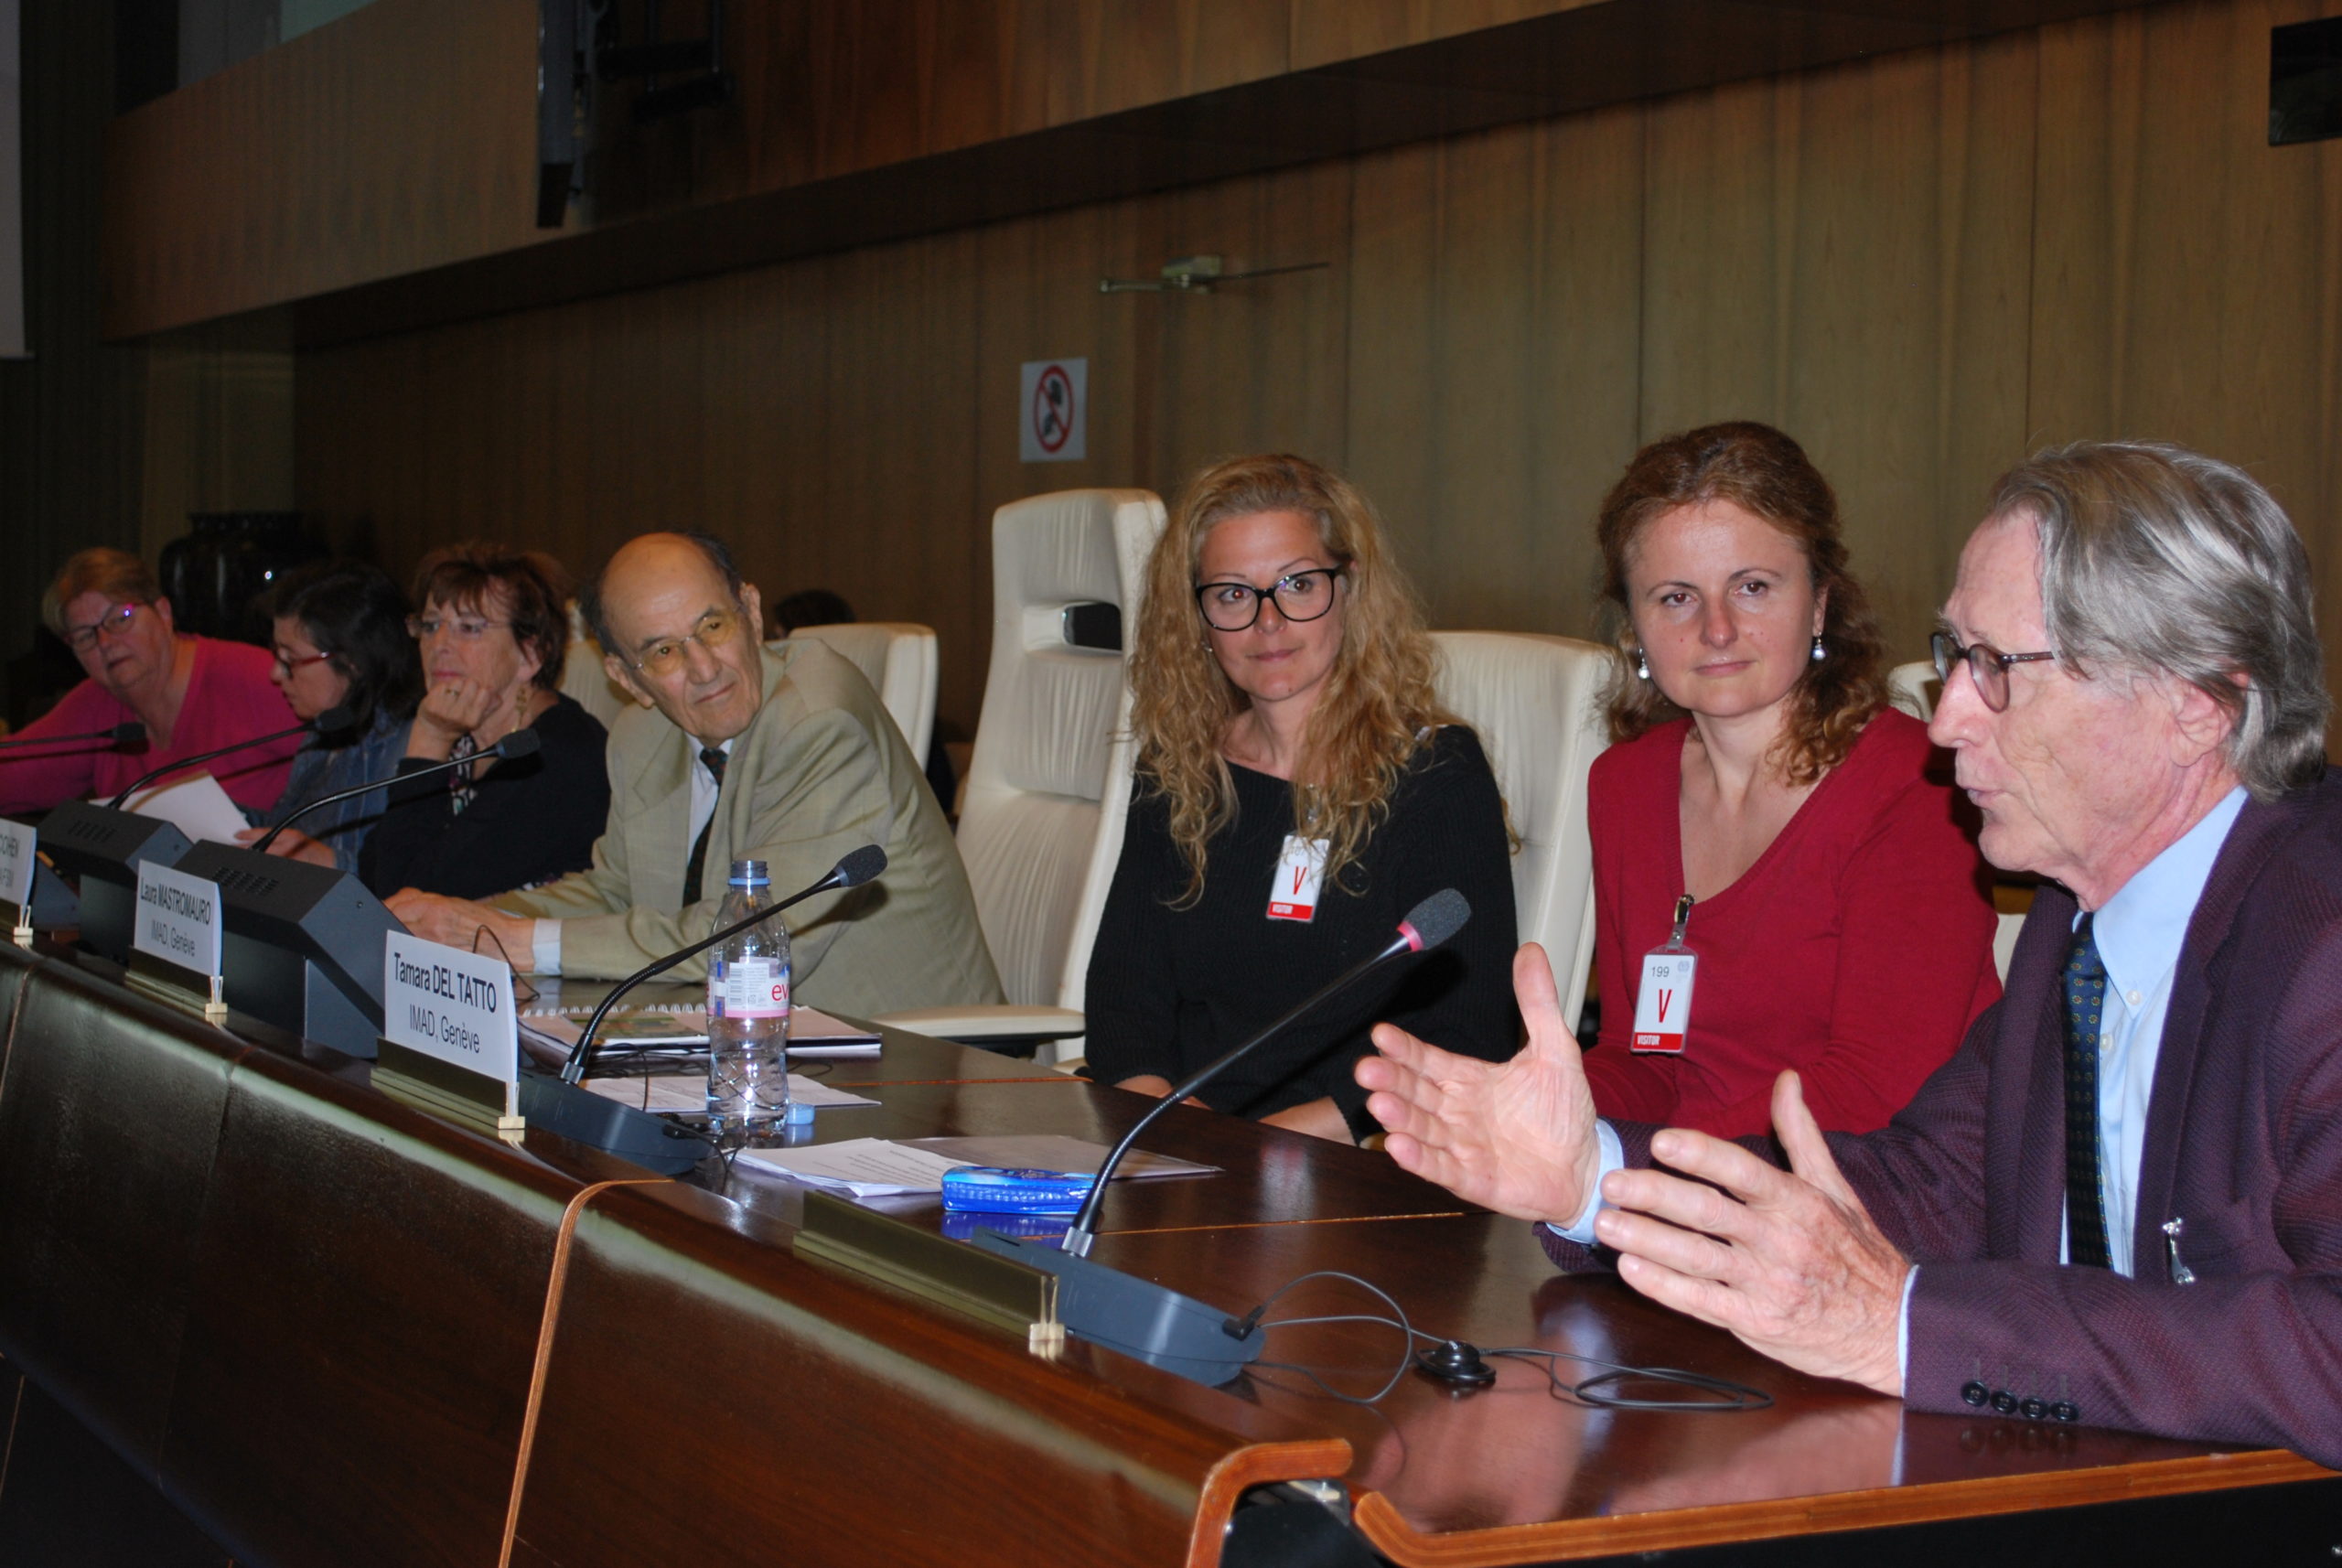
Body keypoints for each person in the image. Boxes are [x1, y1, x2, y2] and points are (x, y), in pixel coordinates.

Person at [1357, 440, 2342, 1466]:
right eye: (1955, 656)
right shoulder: (2078, 921)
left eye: (1997, 669)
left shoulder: (2321, 939)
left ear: (2194, 702)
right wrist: (1591, 1176)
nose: (1947, 720)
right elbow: (1933, 1179)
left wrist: (1905, 1326)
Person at [1085, 454, 1519, 1144]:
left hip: (1348, 1149)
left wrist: (1260, 1149)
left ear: (1350, 590)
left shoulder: (1436, 774)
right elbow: (1124, 999)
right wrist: (1159, 1123)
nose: (1268, 622)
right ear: (1196, 617)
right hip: (1179, 1142)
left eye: (1297, 584)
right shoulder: (1178, 770)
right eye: (1233, 594)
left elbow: (1463, 1030)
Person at [385, 532, 1002, 1016]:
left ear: (751, 612)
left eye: (713, 626)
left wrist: (521, 942)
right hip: (754, 1051)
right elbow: (616, 892)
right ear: (626, 679)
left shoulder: (819, 721)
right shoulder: (642, 737)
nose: (705, 668)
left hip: (917, 1061)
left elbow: (753, 939)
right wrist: (464, 922)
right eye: (663, 651)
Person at [1582, 423, 1998, 1137]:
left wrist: (1647, 1168)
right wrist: (1525, 1104)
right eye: (1676, 598)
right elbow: (1640, 1059)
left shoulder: (1915, 787)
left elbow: (1873, 1091)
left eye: (1752, 588)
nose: (1716, 630)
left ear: (1820, 603)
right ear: (1634, 627)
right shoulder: (1623, 783)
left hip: (1868, 1180)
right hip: (1672, 1180)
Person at [360, 544, 610, 903]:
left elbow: (408, 898)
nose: (439, 644)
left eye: (469, 628)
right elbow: (373, 866)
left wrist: (429, 741)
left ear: (531, 653)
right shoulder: (464, 738)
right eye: (430, 625)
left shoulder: (561, 758)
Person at [0, 547, 301, 815]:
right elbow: (15, 773)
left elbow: (330, 772)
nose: (105, 643)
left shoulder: (259, 679)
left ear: (163, 612)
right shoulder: (97, 703)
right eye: (84, 636)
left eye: (121, 618)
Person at [238, 560, 421, 874]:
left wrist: (332, 863)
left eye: (290, 659)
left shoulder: (411, 744)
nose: (275, 674)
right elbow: (282, 835)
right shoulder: (326, 728)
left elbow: (412, 877)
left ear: (353, 661)